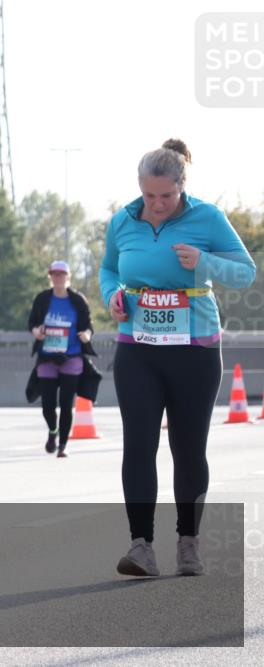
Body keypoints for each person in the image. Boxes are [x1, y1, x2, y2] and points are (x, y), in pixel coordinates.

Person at [99, 138, 256, 577]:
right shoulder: (123, 220)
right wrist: (112, 294)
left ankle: (188, 544)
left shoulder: (208, 217)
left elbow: (246, 273)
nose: (157, 204)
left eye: (166, 196)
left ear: (182, 185)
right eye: (150, 196)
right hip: (138, 348)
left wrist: (203, 261)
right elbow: (109, 268)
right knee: (139, 446)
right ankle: (141, 547)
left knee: (188, 449)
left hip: (194, 349)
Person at [27, 260, 96, 458]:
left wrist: (86, 335)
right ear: (50, 277)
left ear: (68, 277)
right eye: (54, 275)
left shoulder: (77, 300)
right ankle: (52, 431)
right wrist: (37, 331)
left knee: (66, 404)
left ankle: (63, 445)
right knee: (48, 405)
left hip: (71, 356)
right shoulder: (42, 299)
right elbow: (32, 323)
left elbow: (88, 326)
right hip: (47, 356)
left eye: (61, 275)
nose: (58, 278)